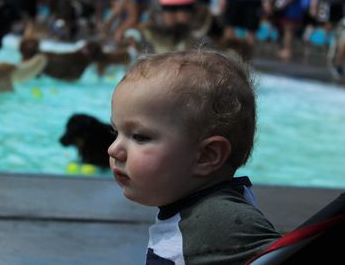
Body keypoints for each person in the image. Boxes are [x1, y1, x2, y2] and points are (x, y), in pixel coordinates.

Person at [108, 49, 281, 264]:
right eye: (115, 133)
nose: (113, 150)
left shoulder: (219, 223)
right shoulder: (203, 213)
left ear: (206, 156)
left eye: (140, 137)